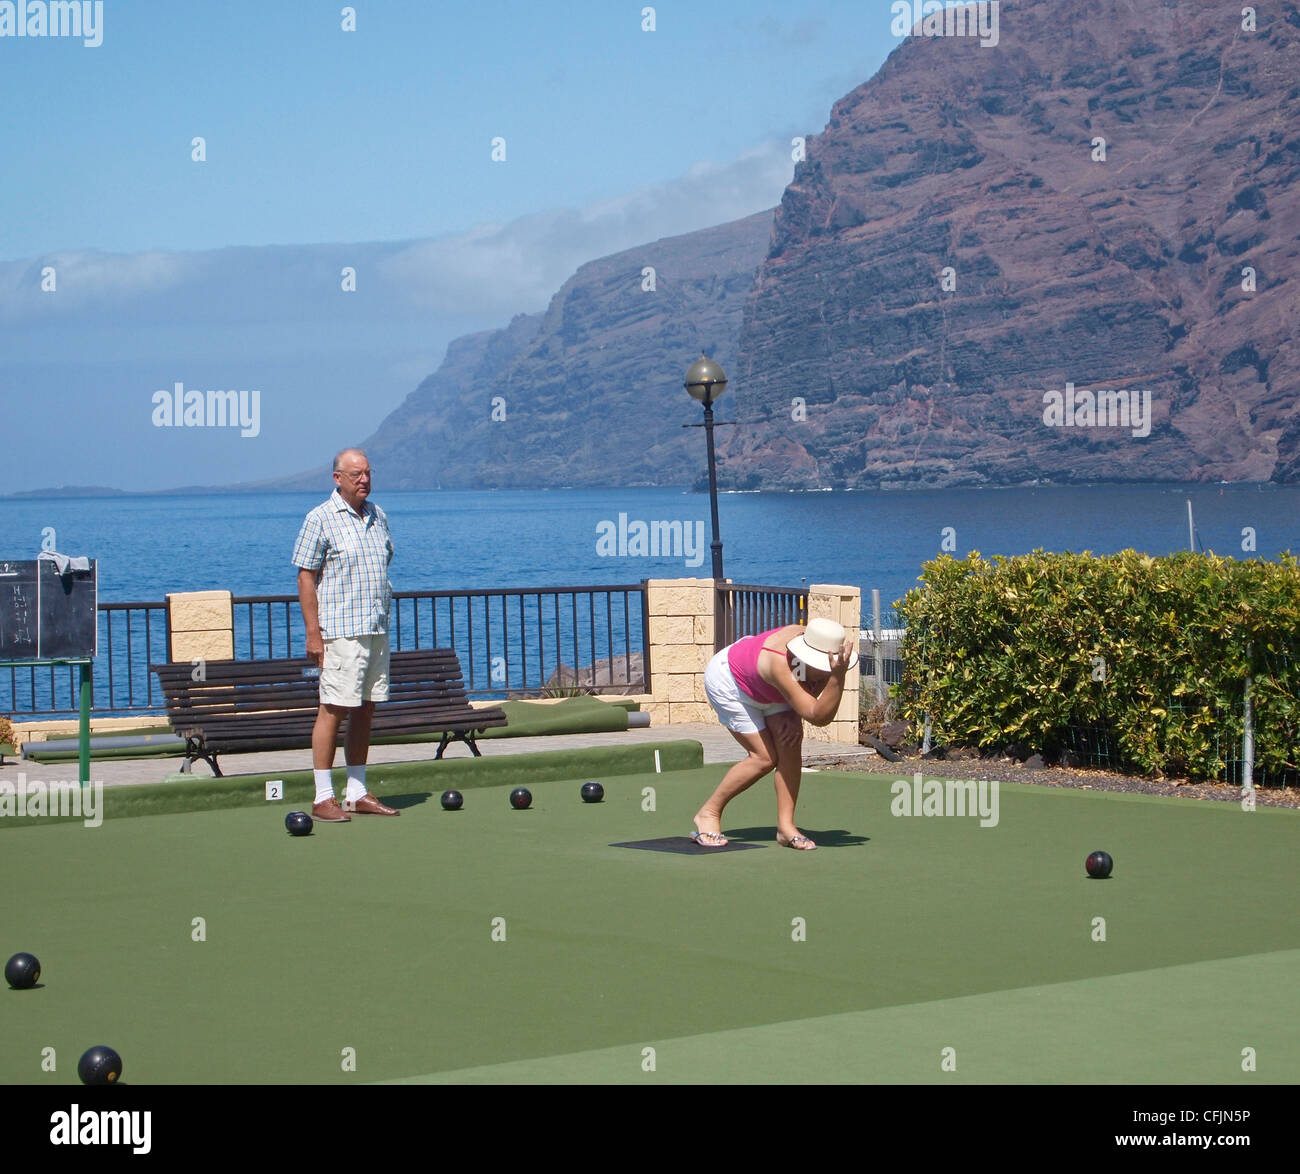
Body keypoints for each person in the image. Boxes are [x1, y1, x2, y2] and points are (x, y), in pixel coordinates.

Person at [291, 448, 400, 822]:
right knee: (333, 709)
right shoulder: (319, 519)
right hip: (339, 631)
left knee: (366, 707)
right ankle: (323, 797)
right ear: (337, 478)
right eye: (356, 475)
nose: (364, 480)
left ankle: (356, 792)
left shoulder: (378, 516)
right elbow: (306, 576)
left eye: (368, 473)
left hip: (375, 628)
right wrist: (313, 634)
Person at [694, 617, 857, 851]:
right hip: (732, 683)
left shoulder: (818, 640)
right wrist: (837, 677)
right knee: (764, 757)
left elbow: (810, 691)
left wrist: (798, 710)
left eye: (828, 667)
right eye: (821, 666)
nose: (825, 672)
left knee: (790, 744)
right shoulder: (778, 662)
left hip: (773, 687)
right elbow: (819, 716)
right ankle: (708, 813)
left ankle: (786, 827)